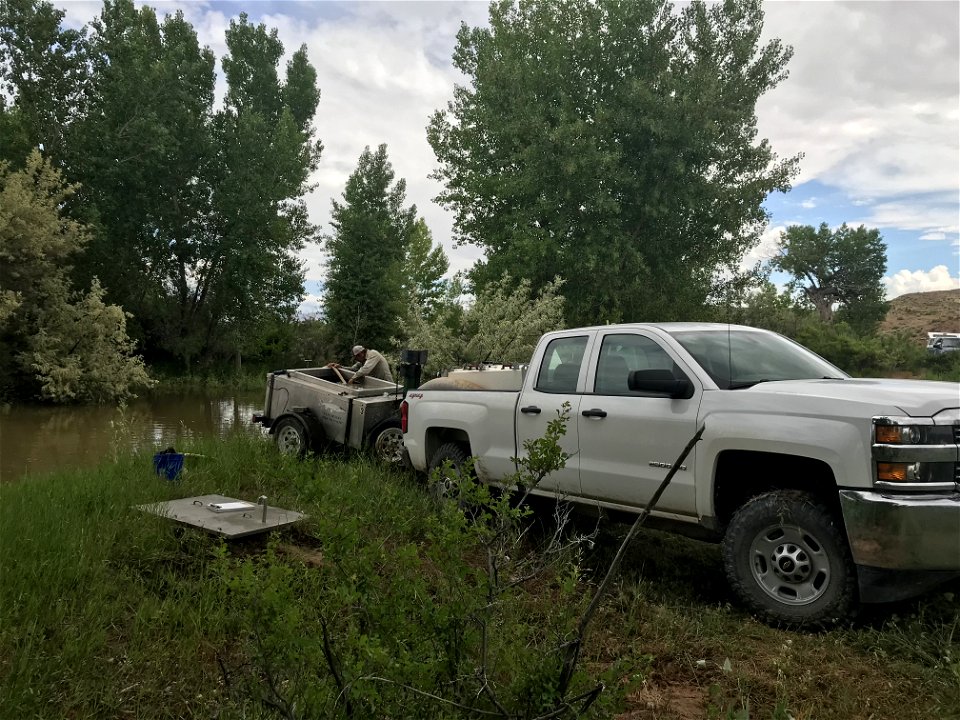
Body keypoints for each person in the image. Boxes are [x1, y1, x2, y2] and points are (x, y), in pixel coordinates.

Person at [327, 345, 392, 383]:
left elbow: (365, 370)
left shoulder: (373, 354)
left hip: (387, 384)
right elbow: (353, 369)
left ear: (360, 354)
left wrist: (352, 379)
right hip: (376, 383)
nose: (356, 360)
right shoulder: (363, 361)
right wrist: (341, 367)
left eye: (356, 358)